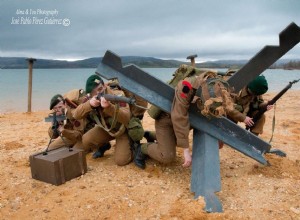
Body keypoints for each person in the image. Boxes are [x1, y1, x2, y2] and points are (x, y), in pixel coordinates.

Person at [134, 70, 252, 169]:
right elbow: (179, 116)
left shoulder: (219, 86)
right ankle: (141, 149)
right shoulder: (186, 86)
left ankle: (152, 135)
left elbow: (225, 106)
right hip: (167, 118)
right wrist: (186, 150)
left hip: (189, 118)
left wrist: (242, 118)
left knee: (176, 140)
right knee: (167, 156)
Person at [72, 74, 132, 166]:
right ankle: (104, 145)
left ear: (104, 85)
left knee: (121, 161)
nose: (98, 93)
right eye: (94, 92)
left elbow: (126, 118)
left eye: (100, 89)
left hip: (122, 129)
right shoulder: (90, 98)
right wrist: (90, 104)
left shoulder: (117, 95)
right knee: (86, 139)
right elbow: (76, 115)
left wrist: (109, 107)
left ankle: (133, 145)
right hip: (107, 128)